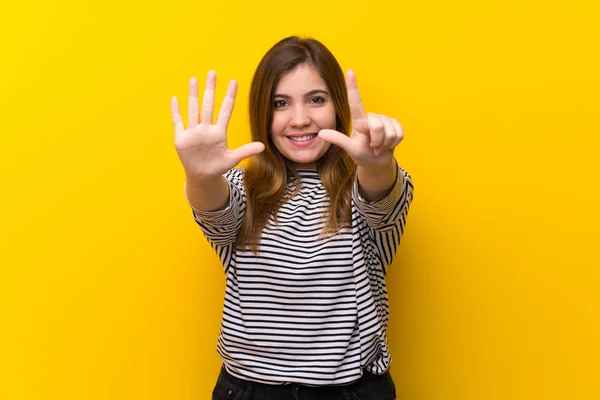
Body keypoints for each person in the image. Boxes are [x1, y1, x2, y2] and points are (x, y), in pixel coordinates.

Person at [170, 36, 414, 400]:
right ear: (262, 114)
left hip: (351, 390)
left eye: (316, 99)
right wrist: (200, 177)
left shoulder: (361, 187)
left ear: (338, 106)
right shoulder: (241, 188)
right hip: (249, 389)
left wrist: (377, 164)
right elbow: (214, 210)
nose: (300, 120)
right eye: (280, 103)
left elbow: (380, 198)